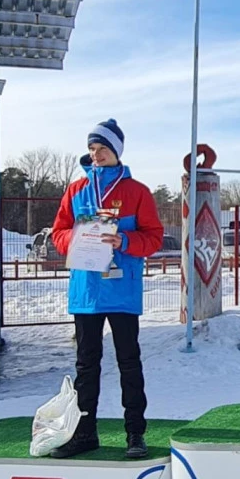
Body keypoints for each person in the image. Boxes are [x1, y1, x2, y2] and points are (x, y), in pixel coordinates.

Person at [49, 119, 164, 459]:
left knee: (130, 362)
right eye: (92, 149)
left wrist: (124, 239)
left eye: (102, 149)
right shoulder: (76, 190)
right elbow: (58, 234)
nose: (96, 155)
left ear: (116, 152)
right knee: (86, 365)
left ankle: (135, 433)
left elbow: (154, 237)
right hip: (86, 292)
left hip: (122, 291)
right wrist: (78, 238)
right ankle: (85, 434)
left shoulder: (137, 192)